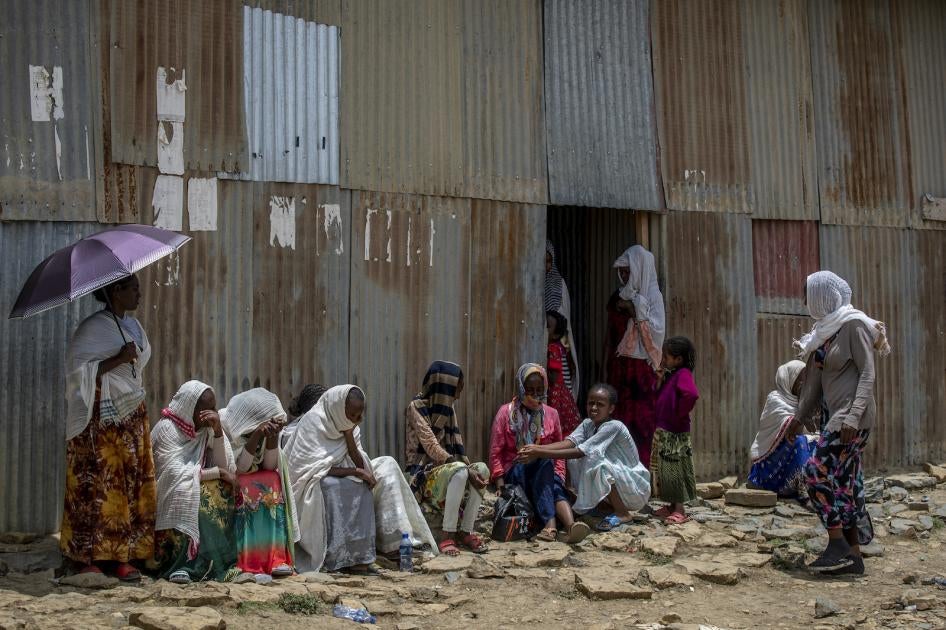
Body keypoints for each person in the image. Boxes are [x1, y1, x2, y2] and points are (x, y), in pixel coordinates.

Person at [792, 271, 889, 575]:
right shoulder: (824, 333)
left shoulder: (853, 325)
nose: (803, 300)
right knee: (844, 485)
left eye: (807, 294)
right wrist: (798, 419)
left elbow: (868, 373)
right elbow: (814, 385)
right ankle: (854, 558)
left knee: (814, 473)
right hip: (837, 418)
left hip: (851, 419)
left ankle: (837, 543)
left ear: (822, 295)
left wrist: (853, 414)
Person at [60, 274, 155, 581]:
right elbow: (78, 374)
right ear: (116, 291)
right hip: (98, 426)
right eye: (134, 289)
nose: (139, 295)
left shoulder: (134, 327)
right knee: (97, 487)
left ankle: (122, 556)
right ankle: (88, 557)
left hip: (129, 419)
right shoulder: (92, 329)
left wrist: (127, 359)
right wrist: (118, 358)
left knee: (126, 487)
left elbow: (137, 366)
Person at [285, 385, 436, 574]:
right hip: (310, 484)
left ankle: (365, 554)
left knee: (361, 483)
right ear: (339, 410)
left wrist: (349, 436)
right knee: (336, 486)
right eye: (354, 416)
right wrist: (356, 472)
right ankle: (336, 557)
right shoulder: (313, 422)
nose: (359, 420)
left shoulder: (349, 425)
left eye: (360, 416)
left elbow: (359, 461)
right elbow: (310, 468)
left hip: (341, 473)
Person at [516, 383, 651, 532]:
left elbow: (580, 451)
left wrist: (539, 452)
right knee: (576, 460)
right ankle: (601, 505)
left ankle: (622, 514)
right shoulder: (588, 424)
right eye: (591, 403)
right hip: (621, 482)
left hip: (635, 486)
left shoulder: (614, 426)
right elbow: (569, 442)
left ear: (611, 408)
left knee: (599, 465)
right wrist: (537, 448)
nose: (593, 408)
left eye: (600, 404)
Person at [489, 364, 590, 543]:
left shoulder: (552, 414)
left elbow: (559, 450)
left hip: (545, 472)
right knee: (543, 462)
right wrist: (500, 485)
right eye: (530, 390)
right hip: (517, 472)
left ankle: (571, 527)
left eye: (539, 390)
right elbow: (496, 452)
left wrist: (559, 475)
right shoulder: (506, 413)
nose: (535, 395)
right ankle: (551, 524)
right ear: (521, 388)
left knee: (552, 478)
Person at [152, 381, 238, 584]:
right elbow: (172, 473)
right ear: (190, 408)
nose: (211, 413)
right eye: (205, 409)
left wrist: (217, 432)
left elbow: (225, 466)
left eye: (214, 408)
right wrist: (216, 473)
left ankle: (212, 563)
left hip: (194, 482)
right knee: (184, 490)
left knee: (218, 490)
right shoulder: (167, 429)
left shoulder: (207, 431)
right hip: (166, 494)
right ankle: (181, 565)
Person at [405, 361, 490, 556]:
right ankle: (446, 534)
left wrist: (472, 470)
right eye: (455, 391)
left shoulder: (448, 409)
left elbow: (456, 447)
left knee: (482, 469)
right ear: (444, 388)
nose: (458, 396)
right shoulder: (416, 407)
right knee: (460, 469)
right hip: (423, 475)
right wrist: (465, 469)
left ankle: (465, 531)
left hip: (449, 470)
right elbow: (431, 447)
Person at [221, 388, 299, 577]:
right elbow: (240, 468)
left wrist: (271, 439)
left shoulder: (270, 430)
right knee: (246, 483)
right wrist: (256, 435)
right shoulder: (228, 427)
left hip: (257, 478)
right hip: (232, 480)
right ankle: (247, 559)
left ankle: (275, 557)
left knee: (272, 478)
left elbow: (270, 465)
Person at [603, 245, 665, 468]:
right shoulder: (616, 298)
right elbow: (610, 336)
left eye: (629, 271)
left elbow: (655, 336)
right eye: (622, 271)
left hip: (640, 372)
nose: (624, 276)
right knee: (618, 421)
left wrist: (635, 309)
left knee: (641, 424)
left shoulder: (653, 298)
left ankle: (639, 475)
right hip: (619, 368)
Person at [747, 360, 815, 500]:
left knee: (820, 442)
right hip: (770, 467)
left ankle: (814, 486)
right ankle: (803, 489)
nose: (804, 383)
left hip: (789, 461)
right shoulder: (775, 399)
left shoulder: (803, 401)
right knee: (799, 442)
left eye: (806, 378)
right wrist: (804, 411)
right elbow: (792, 429)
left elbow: (814, 429)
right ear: (789, 380)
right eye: (801, 379)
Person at [651, 337, 699, 524]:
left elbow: (692, 395)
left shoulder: (683, 374)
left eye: (666, 356)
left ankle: (679, 509)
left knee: (674, 470)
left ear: (678, 359)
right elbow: (660, 396)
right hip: (665, 429)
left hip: (675, 433)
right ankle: (671, 506)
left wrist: (678, 414)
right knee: (664, 470)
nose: (663, 359)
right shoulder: (671, 375)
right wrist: (660, 380)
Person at [545, 240, 579, 399]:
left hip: (557, 349)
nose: (545, 266)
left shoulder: (558, 284)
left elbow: (565, 324)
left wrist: (567, 351)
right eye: (542, 261)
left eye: (549, 261)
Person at [546, 311, 582, 436]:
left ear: (555, 335)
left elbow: (555, 376)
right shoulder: (558, 346)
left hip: (556, 393)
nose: (544, 328)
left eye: (548, 326)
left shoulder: (553, 348)